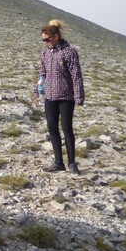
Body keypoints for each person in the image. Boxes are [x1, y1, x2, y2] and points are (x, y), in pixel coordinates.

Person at [35, 19, 85, 175]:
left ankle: (72, 163)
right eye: (43, 40)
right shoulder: (45, 53)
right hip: (49, 96)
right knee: (52, 128)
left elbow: (76, 76)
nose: (45, 42)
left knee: (67, 129)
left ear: (56, 36)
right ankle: (58, 162)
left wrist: (79, 96)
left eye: (47, 39)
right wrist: (37, 92)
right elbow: (42, 74)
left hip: (66, 97)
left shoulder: (69, 52)